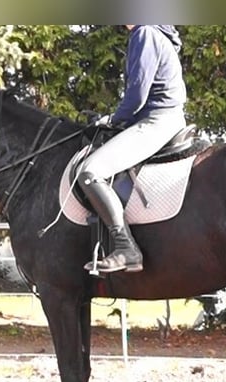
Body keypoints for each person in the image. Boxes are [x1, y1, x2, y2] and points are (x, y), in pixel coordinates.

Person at [79, 25, 187, 273]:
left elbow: (137, 95)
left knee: (90, 172)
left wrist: (114, 120)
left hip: (156, 120)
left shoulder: (145, 32)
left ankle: (126, 248)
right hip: (165, 117)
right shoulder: (157, 33)